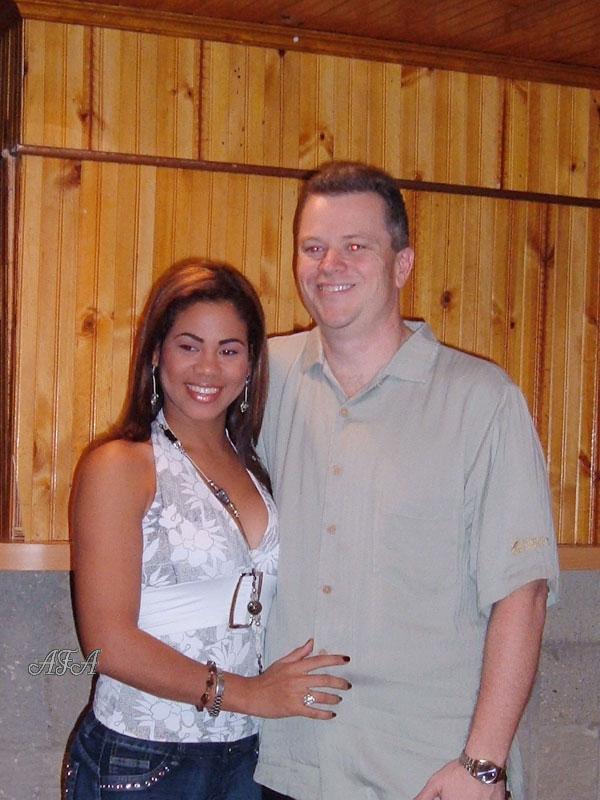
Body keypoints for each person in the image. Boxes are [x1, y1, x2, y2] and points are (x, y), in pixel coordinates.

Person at [254, 162, 559, 800]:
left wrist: (482, 765)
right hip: (285, 768)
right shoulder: (261, 379)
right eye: (313, 247)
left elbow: (521, 595)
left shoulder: (482, 401)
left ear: (403, 264)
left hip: (426, 776)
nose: (329, 265)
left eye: (356, 246)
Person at [64, 258, 350, 799]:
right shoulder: (122, 465)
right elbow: (106, 642)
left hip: (245, 753)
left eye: (229, 350)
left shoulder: (255, 465)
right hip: (143, 756)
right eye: (189, 346)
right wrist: (249, 694)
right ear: (156, 353)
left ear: (250, 364)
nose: (208, 369)